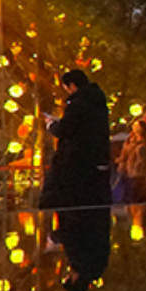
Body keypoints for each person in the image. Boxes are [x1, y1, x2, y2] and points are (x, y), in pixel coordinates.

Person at [39, 69, 111, 210]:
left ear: (72, 86)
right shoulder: (98, 103)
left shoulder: (78, 103)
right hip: (96, 157)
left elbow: (64, 129)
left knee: (64, 197)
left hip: (76, 159)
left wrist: (51, 124)